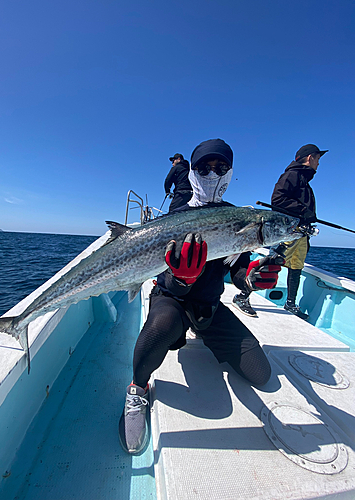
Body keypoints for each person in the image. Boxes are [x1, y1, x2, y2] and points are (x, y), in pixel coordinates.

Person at [119, 138, 283, 455]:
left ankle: (203, 331)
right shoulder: (176, 216)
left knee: (262, 375)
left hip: (208, 306)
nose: (212, 173)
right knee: (160, 328)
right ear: (192, 171)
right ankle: (138, 387)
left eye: (221, 167)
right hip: (173, 300)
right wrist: (182, 280)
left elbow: (237, 266)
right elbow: (164, 273)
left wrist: (251, 277)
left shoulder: (237, 218)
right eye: (203, 167)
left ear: (231, 172)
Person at [271, 143, 328, 320]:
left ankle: (290, 303)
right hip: (289, 231)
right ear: (310, 158)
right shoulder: (292, 175)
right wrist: (304, 211)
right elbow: (277, 199)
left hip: (301, 232)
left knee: (296, 266)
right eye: (318, 159)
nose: (318, 163)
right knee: (273, 262)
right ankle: (243, 295)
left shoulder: (303, 179)